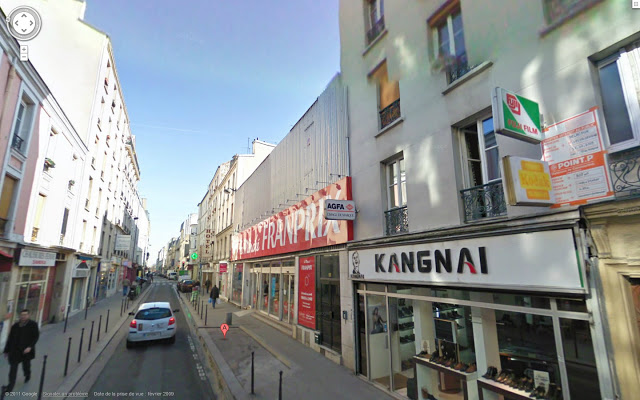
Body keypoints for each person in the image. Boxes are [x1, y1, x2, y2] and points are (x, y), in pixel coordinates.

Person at [3, 309, 39, 394]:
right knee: (13, 369)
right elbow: (10, 338)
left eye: (25, 315)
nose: (23, 316)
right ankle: (10, 387)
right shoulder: (15, 326)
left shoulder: (33, 325)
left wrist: (30, 347)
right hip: (15, 351)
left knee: (26, 366)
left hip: (26, 351)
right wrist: (6, 350)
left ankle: (27, 375)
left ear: (28, 315)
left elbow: (36, 337)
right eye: (22, 315)